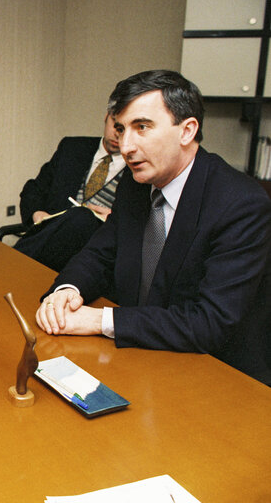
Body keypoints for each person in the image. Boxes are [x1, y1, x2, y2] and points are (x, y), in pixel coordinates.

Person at [36, 70, 271, 385]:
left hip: (217, 375)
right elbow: (100, 254)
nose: (126, 146)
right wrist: (68, 290)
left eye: (142, 127)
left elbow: (209, 323)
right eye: (121, 129)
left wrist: (99, 320)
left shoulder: (241, 203)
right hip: (141, 356)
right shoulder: (135, 186)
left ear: (187, 131)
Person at [14, 113, 126, 271]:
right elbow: (33, 189)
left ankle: (9, 263)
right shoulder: (72, 148)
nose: (118, 133)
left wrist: (115, 220)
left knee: (82, 217)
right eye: (116, 125)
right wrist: (37, 214)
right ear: (107, 116)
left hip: (94, 258)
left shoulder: (140, 170)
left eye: (125, 128)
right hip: (49, 245)